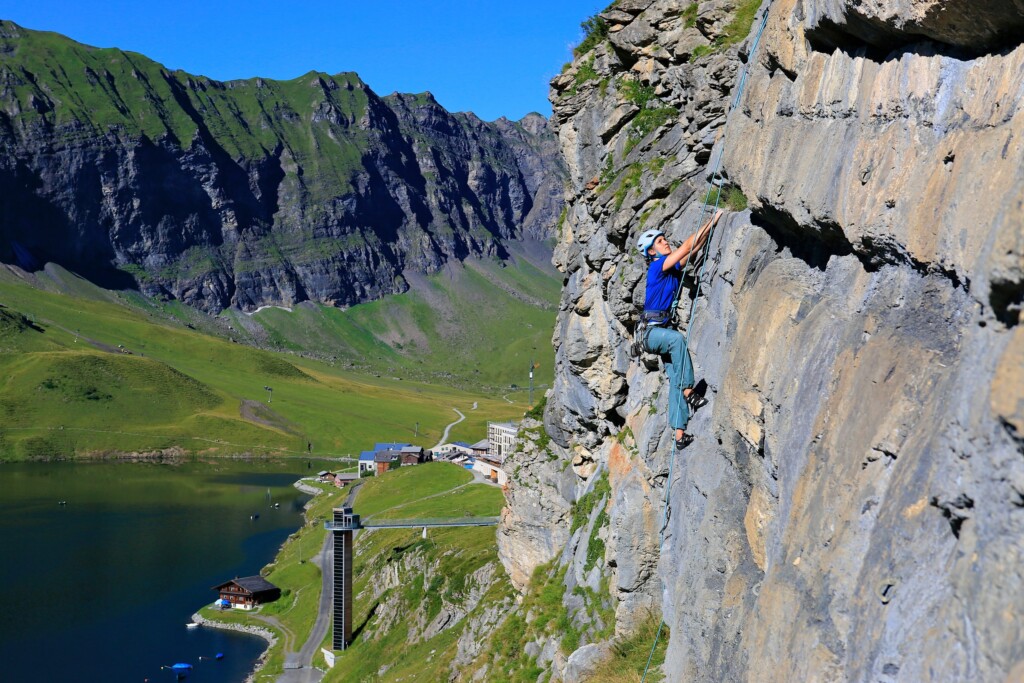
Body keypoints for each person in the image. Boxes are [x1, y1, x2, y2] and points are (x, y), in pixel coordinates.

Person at [636, 209, 723, 450]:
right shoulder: (657, 267)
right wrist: (712, 219)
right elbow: (685, 247)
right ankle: (688, 391)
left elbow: (693, 250)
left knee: (674, 376)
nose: (666, 243)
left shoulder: (670, 269)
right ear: (651, 252)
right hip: (651, 333)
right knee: (676, 340)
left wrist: (711, 229)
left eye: (665, 239)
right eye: (660, 242)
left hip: (656, 331)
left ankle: (679, 433)